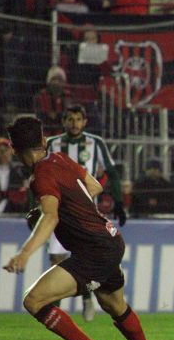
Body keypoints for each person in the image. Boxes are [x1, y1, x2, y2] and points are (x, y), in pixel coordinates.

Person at [3, 116, 161, 340]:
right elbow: (95, 186)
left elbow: (51, 216)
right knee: (113, 303)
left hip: (94, 250)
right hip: (110, 240)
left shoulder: (41, 176)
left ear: (14, 149)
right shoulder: (60, 159)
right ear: (43, 141)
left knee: (34, 301)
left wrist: (24, 254)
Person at [45, 104, 126, 322]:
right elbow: (41, 175)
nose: (74, 123)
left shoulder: (95, 143)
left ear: (85, 122)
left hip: (86, 211)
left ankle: (86, 296)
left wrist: (118, 202)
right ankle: (58, 312)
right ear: (64, 121)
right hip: (58, 209)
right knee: (56, 257)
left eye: (78, 119)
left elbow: (112, 172)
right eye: (70, 119)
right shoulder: (53, 144)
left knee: (84, 256)